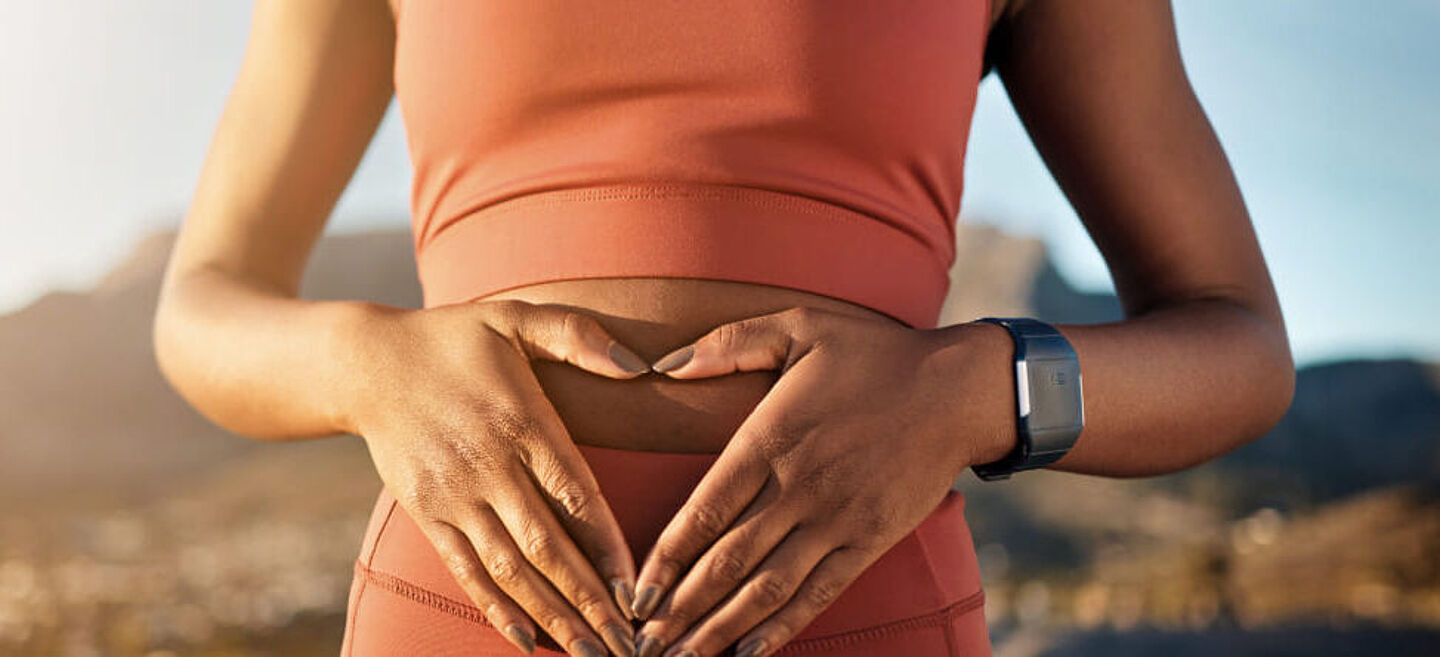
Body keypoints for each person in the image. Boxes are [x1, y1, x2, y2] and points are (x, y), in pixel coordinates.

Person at [152, 0, 1296, 656]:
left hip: (861, 618)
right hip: (461, 607)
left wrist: (970, 391)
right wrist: (371, 366)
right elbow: (203, 305)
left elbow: (1238, 347)